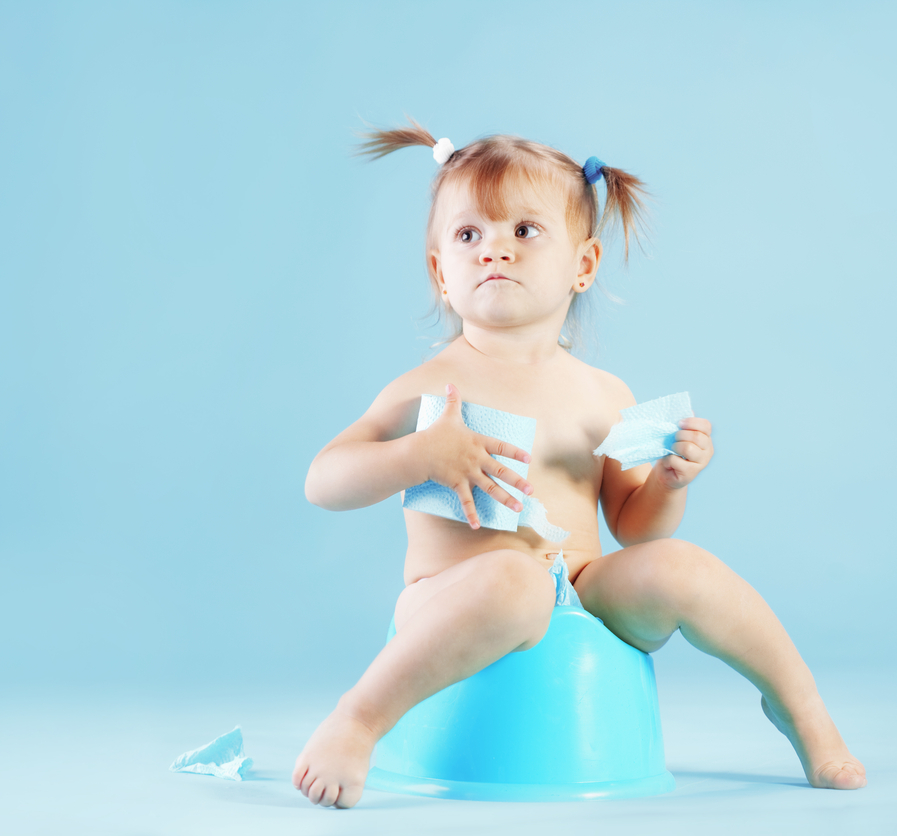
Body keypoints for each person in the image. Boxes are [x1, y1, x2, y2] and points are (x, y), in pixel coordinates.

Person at [292, 121, 867, 807]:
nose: (494, 249)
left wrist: (668, 481)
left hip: (582, 588)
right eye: (469, 234)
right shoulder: (428, 389)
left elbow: (635, 528)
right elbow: (323, 481)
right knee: (515, 580)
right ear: (441, 272)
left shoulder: (602, 394)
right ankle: (359, 720)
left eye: (524, 231)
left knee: (686, 567)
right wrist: (415, 455)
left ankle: (800, 708)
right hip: (453, 596)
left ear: (583, 265)